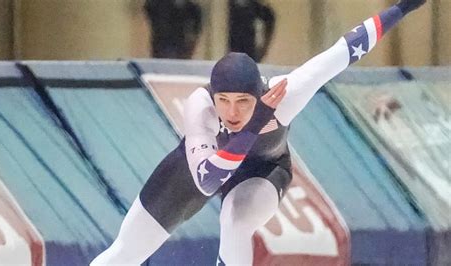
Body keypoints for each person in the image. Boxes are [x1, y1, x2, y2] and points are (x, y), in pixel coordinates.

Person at [91, 0, 426, 265]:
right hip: (203, 166)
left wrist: (403, 7)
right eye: (224, 100)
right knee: (123, 254)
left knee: (235, 221)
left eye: (243, 102)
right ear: (213, 95)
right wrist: (254, 124)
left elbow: (343, 51)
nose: (232, 112)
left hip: (263, 171)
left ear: (260, 93)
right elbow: (208, 179)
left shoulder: (284, 95)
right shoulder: (200, 106)